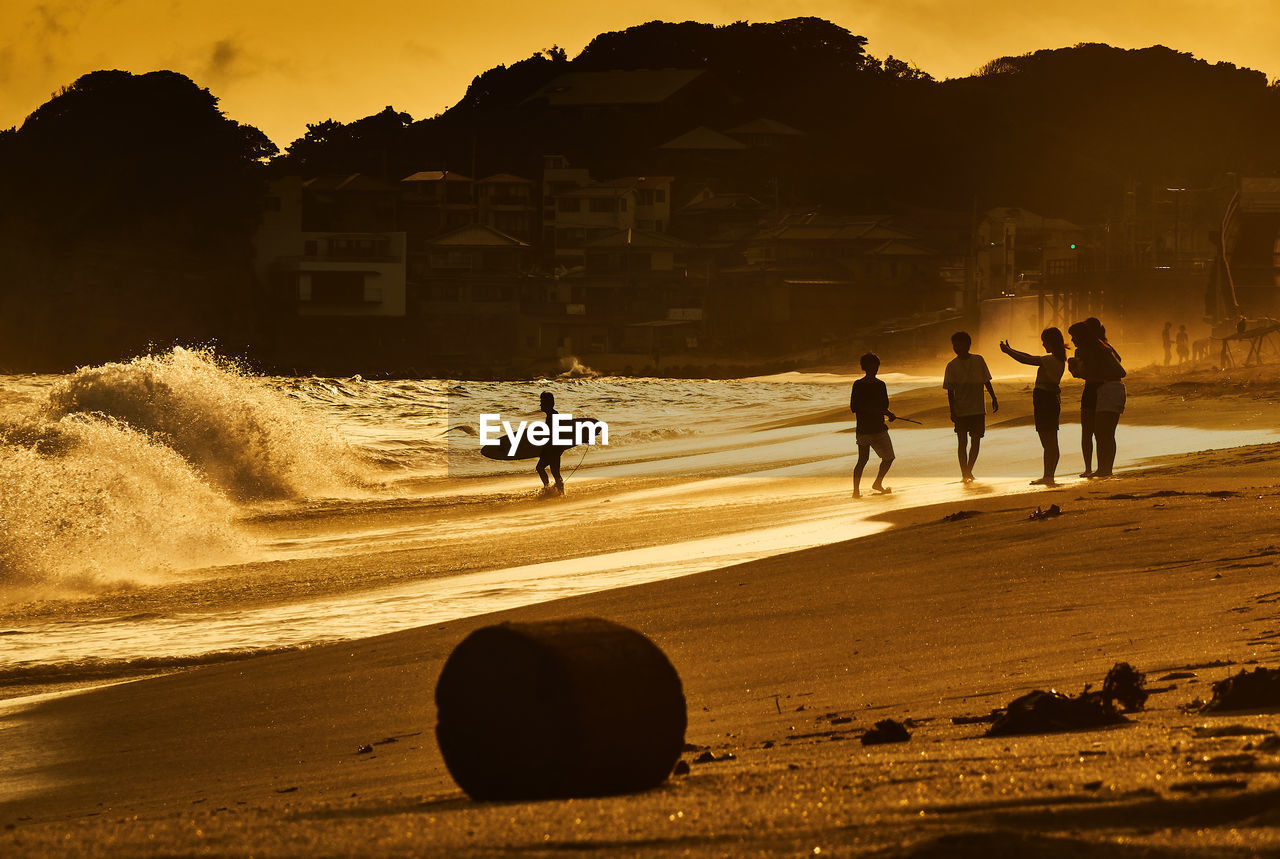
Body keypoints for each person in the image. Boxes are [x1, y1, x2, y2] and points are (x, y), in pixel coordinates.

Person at [1000, 328, 1067, 486]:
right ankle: (1049, 475)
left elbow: (1026, 360)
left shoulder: (1052, 360)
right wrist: (1010, 349)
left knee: (1048, 441)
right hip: (1048, 400)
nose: (1043, 344)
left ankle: (1048, 476)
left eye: (1045, 341)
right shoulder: (1056, 359)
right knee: (1050, 440)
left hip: (1046, 401)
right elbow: (1029, 357)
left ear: (1052, 342)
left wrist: (1008, 352)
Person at [1067, 317, 1126, 478]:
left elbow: (1094, 375)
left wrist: (1076, 370)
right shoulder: (1103, 346)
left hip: (1106, 389)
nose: (1071, 340)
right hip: (1115, 389)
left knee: (1100, 434)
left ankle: (1102, 469)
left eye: (1074, 337)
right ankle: (1106, 469)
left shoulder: (1090, 350)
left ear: (1082, 336)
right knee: (1107, 434)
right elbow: (1118, 364)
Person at [943, 331, 997, 483]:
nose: (955, 347)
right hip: (961, 409)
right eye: (954, 345)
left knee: (976, 441)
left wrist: (994, 398)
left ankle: (969, 471)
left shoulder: (978, 360)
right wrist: (952, 411)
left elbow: (986, 380)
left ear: (967, 345)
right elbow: (950, 391)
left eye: (958, 344)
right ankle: (964, 473)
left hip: (978, 409)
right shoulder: (951, 366)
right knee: (962, 443)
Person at [849, 352, 897, 498]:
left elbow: (884, 406)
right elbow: (853, 407)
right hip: (864, 429)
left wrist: (889, 414)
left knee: (889, 457)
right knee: (863, 460)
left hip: (879, 427)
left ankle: (877, 483)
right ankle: (856, 491)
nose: (875, 368)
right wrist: (874, 410)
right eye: (872, 365)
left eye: (876, 365)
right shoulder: (858, 385)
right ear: (865, 367)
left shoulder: (881, 385)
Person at [535, 391, 565, 496]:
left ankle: (549, 489)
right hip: (554, 448)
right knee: (554, 471)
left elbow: (554, 433)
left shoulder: (553, 415)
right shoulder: (552, 414)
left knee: (542, 468)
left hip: (553, 448)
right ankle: (557, 491)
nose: (540, 404)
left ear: (548, 404)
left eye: (542, 402)